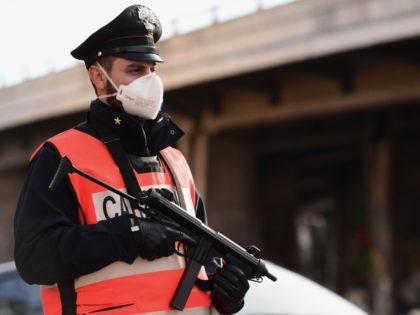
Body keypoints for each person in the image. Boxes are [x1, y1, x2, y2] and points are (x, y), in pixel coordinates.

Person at [13, 5, 249, 315]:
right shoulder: (59, 156)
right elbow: (34, 258)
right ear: (99, 77)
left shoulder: (174, 161)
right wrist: (128, 235)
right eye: (135, 70)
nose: (150, 82)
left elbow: (198, 261)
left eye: (152, 70)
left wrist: (225, 292)